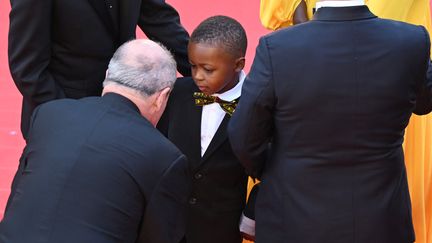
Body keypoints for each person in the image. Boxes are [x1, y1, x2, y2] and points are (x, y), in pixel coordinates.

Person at [228, 0, 432, 242]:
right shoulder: (411, 41)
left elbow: (243, 135)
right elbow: (423, 103)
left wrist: (275, 168)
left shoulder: (278, 48)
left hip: (294, 219)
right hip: (382, 220)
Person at [0, 39, 190, 243]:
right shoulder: (163, 156)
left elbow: (18, 195)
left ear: (107, 75)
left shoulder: (49, 114)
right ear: (163, 96)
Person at [8, 0, 191, 140]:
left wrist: (201, 70)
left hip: (123, 109)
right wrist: (68, 119)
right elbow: (28, 69)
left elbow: (160, 20)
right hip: (63, 115)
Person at [157, 15, 248, 243]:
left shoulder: (257, 104)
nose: (197, 76)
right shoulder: (178, 92)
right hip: (169, 224)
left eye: (208, 69)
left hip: (223, 227)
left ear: (238, 64)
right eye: (193, 66)